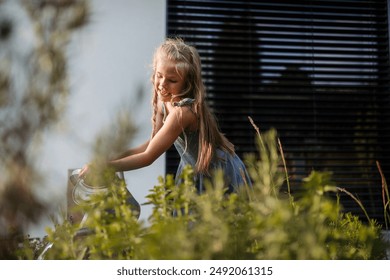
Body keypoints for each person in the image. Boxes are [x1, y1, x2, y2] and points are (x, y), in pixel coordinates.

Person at [79, 37, 251, 193]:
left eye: (172, 80)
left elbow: (148, 157)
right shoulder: (165, 102)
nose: (162, 84)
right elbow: (149, 146)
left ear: (187, 83)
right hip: (195, 169)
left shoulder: (182, 113)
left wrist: (104, 168)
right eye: (159, 76)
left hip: (217, 173)